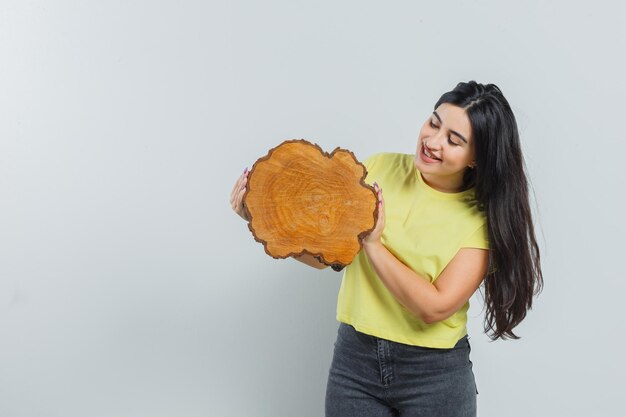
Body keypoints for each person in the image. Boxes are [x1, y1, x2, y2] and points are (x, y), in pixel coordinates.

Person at [229, 80, 543, 417]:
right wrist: (261, 219)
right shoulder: (379, 169)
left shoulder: (482, 219)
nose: (433, 141)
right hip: (355, 364)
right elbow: (328, 258)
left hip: (434, 376)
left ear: (476, 159)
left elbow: (434, 307)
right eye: (434, 123)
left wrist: (374, 245)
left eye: (454, 140)